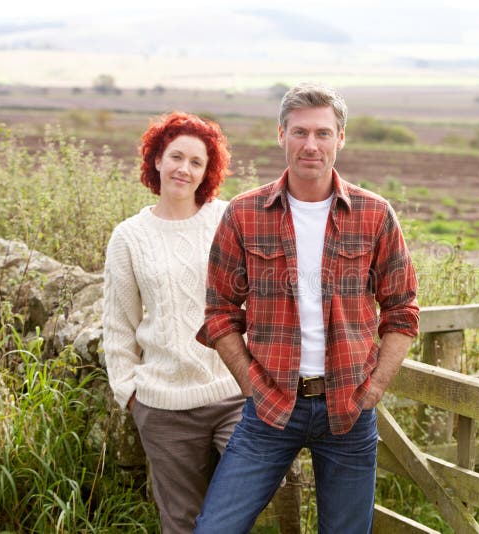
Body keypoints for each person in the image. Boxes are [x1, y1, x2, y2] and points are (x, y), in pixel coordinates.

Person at [194, 82, 419, 533]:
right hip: (271, 406)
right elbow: (219, 310)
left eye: (322, 133)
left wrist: (373, 389)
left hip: (350, 409)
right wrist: (251, 382)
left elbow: (402, 310)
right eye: (299, 132)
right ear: (281, 135)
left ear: (340, 138)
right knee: (214, 527)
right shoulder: (244, 213)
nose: (310, 145)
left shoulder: (375, 215)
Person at [102, 111, 244, 533]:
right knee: (181, 522)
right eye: (176, 156)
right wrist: (129, 392)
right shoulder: (129, 236)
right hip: (164, 408)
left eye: (196, 162)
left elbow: (260, 298)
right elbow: (118, 324)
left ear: (207, 172)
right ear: (157, 160)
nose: (184, 168)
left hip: (234, 395)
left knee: (237, 511)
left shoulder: (228, 219)